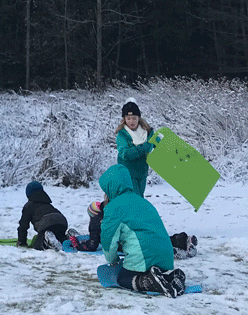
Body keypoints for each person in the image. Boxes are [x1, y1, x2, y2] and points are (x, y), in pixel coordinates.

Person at [99, 164, 186, 297]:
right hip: (166, 258)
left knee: (123, 278)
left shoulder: (113, 208)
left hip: (144, 258)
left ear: (111, 188)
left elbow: (108, 241)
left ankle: (148, 281)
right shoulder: (143, 202)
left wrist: (114, 259)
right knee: (146, 266)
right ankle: (170, 276)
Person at [69, 199, 198, 258]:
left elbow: (92, 245)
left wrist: (78, 245)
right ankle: (180, 239)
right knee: (152, 238)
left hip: (123, 242)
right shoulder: (113, 207)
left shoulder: (95, 224)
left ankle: (173, 251)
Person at [115, 97, 155, 196]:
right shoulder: (122, 135)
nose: (131, 121)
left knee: (140, 198)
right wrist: (144, 147)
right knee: (133, 200)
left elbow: (153, 147)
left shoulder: (146, 133)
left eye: (134, 118)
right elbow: (125, 154)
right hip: (127, 174)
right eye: (128, 118)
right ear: (124, 119)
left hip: (142, 173)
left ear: (138, 118)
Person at [17, 181, 69, 250]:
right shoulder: (47, 203)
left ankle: (46, 239)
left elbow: (23, 226)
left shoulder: (29, 206)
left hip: (46, 224)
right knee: (59, 237)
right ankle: (69, 237)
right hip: (61, 221)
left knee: (38, 245)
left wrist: (21, 242)